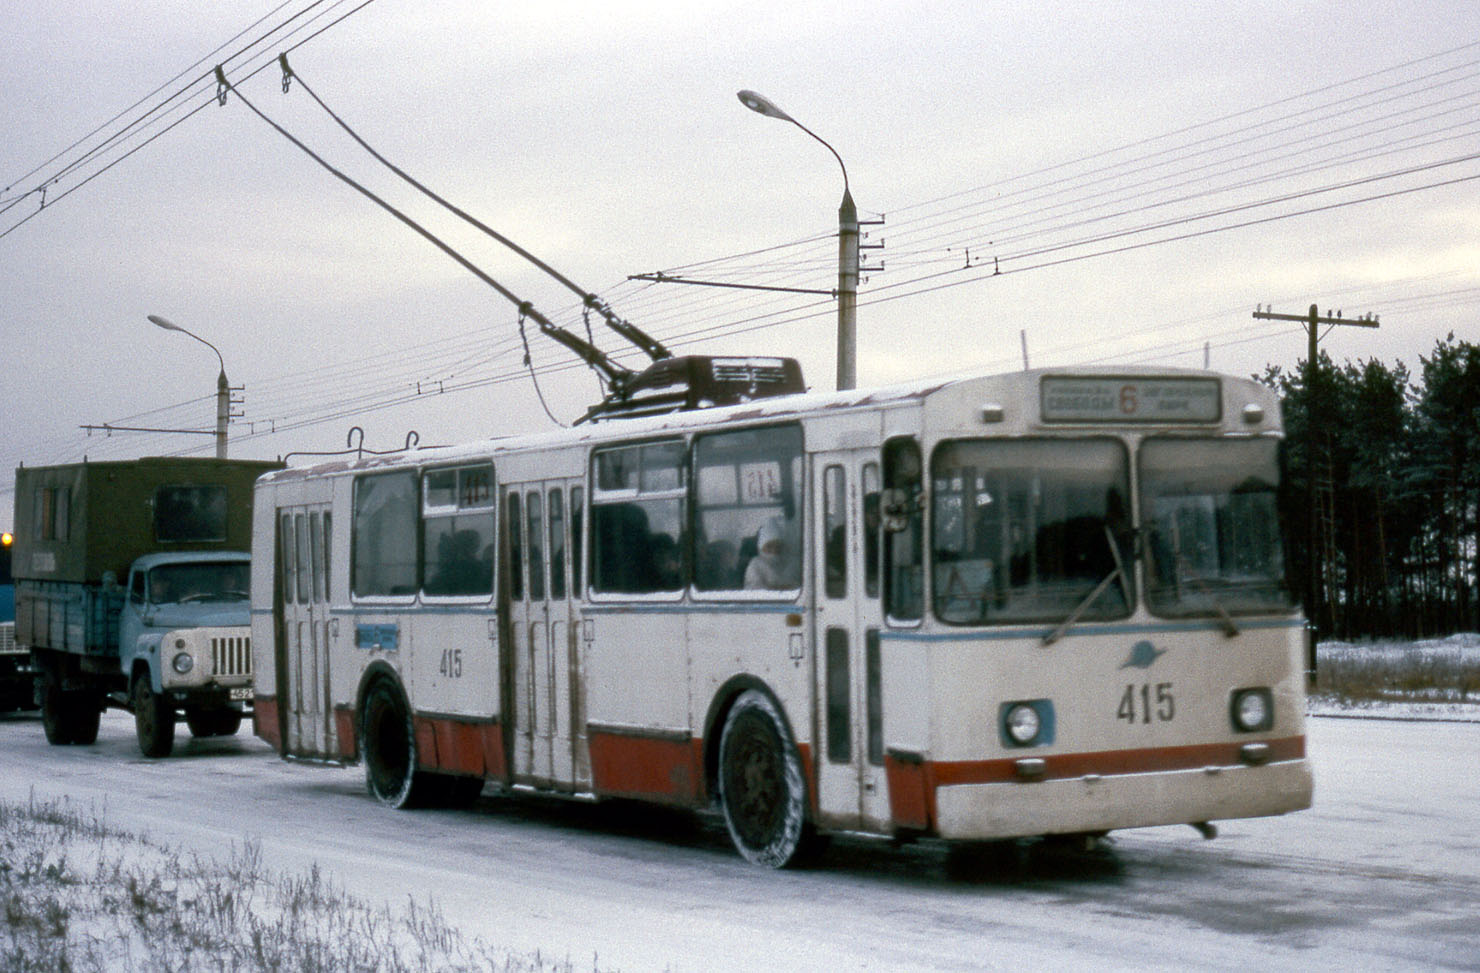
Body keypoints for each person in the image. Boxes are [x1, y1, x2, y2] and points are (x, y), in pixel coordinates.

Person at [744, 517, 800, 591]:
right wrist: (783, 588)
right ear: (761, 548)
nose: (774, 550)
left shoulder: (792, 563)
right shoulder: (755, 565)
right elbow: (755, 590)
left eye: (777, 546)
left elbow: (799, 587)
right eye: (769, 546)